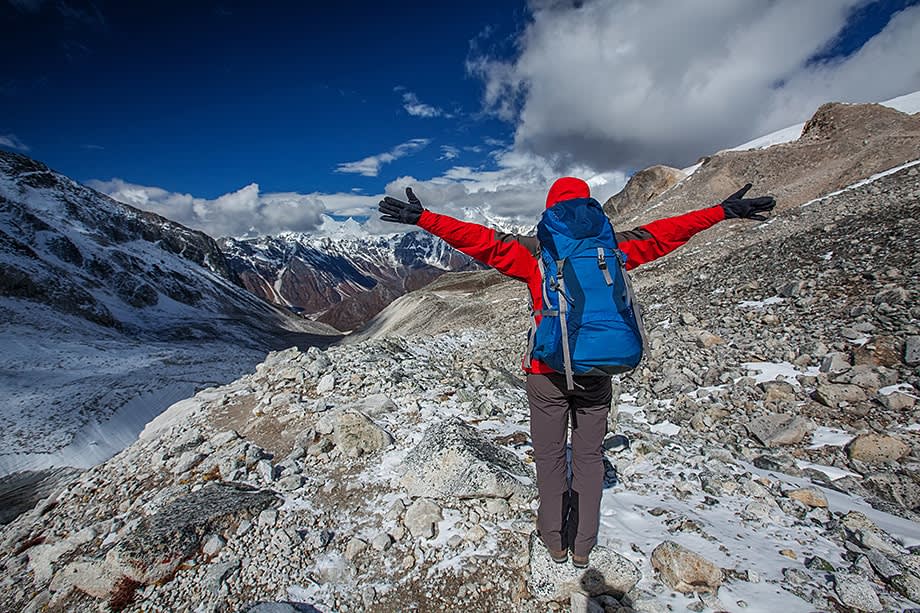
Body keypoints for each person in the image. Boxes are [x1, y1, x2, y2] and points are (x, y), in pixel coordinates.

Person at [378, 177, 775, 567]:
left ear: (551, 210)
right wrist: (721, 212)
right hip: (597, 372)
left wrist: (425, 219)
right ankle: (583, 545)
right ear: (590, 207)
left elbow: (479, 240)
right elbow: (667, 233)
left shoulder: (535, 252)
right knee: (588, 458)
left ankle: (554, 541)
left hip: (545, 371)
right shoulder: (616, 247)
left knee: (551, 458)